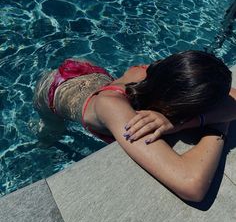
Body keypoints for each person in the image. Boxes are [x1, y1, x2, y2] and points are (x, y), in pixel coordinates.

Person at [34, 50, 235, 202]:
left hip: (89, 73)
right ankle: (42, 137)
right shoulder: (111, 106)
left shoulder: (160, 76)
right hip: (53, 92)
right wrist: (217, 127)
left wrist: (179, 124)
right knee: (50, 133)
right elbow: (192, 186)